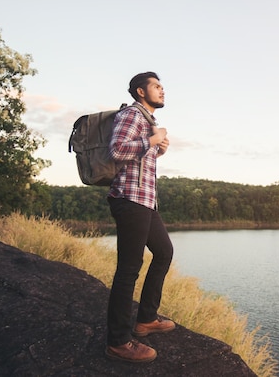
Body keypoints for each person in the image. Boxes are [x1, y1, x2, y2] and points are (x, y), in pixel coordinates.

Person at [104, 71, 175, 363]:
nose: (163, 91)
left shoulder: (147, 122)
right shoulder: (132, 115)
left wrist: (156, 151)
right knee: (129, 268)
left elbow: (136, 161)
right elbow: (117, 150)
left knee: (163, 252)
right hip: (129, 200)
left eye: (162, 87)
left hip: (145, 201)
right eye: (157, 87)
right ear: (140, 91)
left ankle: (145, 319)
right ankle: (118, 341)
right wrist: (153, 140)